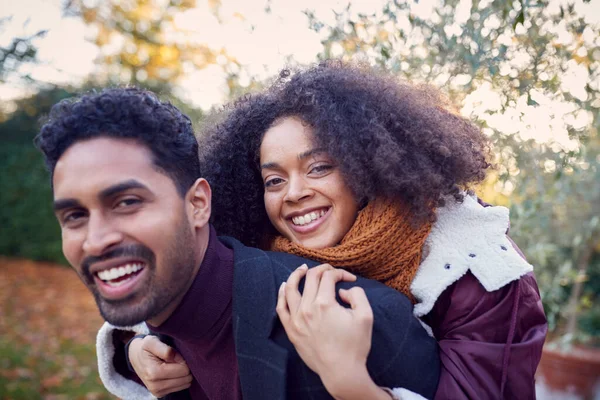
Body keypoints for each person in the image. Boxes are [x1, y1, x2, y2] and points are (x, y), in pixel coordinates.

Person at [103, 61, 547, 399]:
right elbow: (196, 289)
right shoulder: (266, 244)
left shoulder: (475, 264)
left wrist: (351, 381)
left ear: (364, 166)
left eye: (319, 167)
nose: (294, 192)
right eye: (273, 179)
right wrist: (135, 348)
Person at [34, 87, 440, 400]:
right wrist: (129, 348)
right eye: (74, 216)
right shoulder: (155, 328)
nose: (96, 240)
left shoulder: (361, 315)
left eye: (127, 202)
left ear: (198, 204)